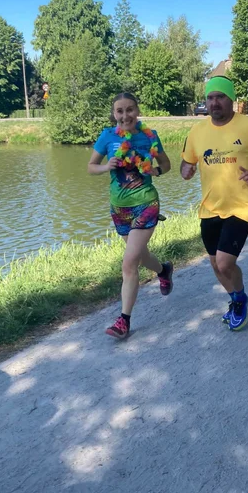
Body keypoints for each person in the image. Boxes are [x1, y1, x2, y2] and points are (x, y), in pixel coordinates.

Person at [180, 76, 248, 331]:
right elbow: (186, 162)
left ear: (231, 100)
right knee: (215, 264)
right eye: (210, 98)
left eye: (220, 97)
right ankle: (237, 298)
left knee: (224, 262)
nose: (215, 103)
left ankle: (239, 299)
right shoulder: (196, 132)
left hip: (240, 205)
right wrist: (186, 170)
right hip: (209, 207)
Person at [88, 92, 174, 340]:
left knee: (129, 263)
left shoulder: (150, 136)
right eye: (119, 111)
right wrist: (106, 166)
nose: (125, 115)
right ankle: (163, 271)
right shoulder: (107, 136)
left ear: (137, 111)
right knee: (140, 255)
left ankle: (123, 321)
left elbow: (166, 165)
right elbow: (90, 166)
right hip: (119, 208)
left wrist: (153, 171)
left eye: (130, 110)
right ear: (114, 113)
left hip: (146, 203)